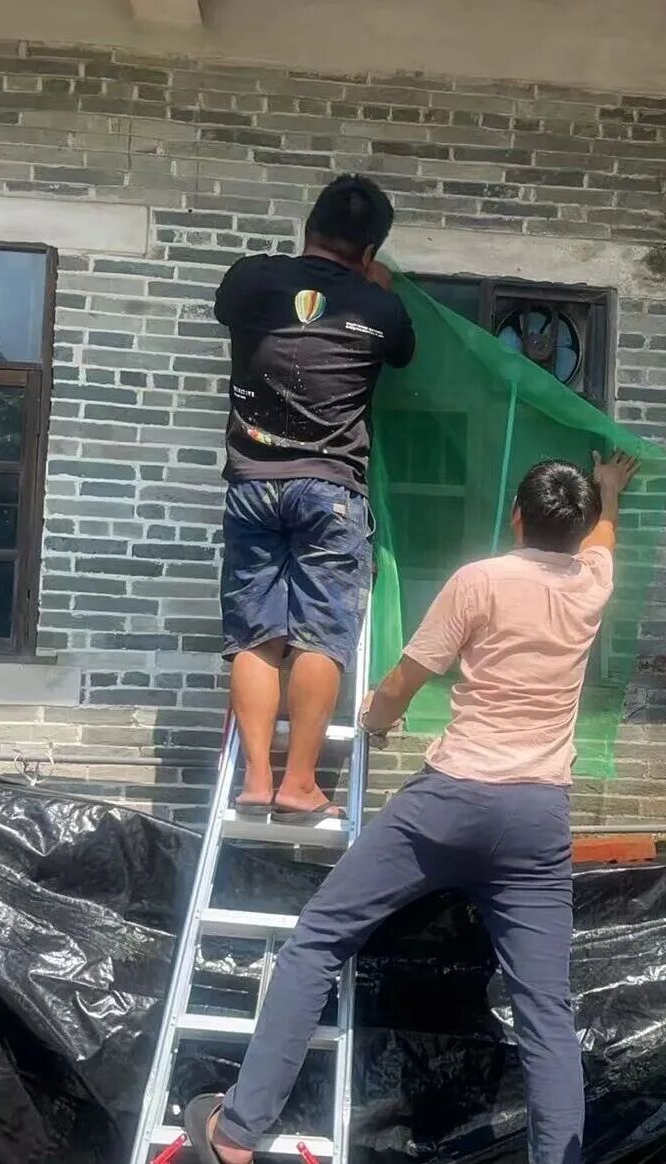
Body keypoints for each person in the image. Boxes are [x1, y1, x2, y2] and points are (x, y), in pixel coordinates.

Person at [184, 451, 640, 1164]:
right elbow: (603, 540)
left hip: (450, 804)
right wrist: (610, 492)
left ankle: (237, 1132)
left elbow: (405, 679)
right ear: (577, 530)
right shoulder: (591, 584)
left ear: (516, 517)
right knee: (546, 1012)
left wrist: (373, 717)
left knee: (318, 939)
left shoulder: (480, 581)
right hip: (537, 817)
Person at [215, 174, 415, 822]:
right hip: (331, 489)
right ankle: (299, 784)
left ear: (309, 227)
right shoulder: (380, 308)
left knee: (255, 636)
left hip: (252, 483)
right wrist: (376, 285)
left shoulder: (251, 280)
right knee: (320, 638)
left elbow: (229, 308)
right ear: (370, 250)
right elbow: (403, 354)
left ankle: (255, 780)